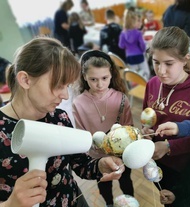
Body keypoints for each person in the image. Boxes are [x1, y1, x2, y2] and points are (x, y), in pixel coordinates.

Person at [0, 36, 125, 207]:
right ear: (25, 80)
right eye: (59, 85)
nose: (66, 95)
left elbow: (80, 164)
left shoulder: (59, 118)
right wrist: (10, 204)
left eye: (67, 86)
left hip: (74, 200)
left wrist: (100, 166)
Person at [142, 26, 190, 206]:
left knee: (181, 201)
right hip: (157, 160)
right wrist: (146, 129)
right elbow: (147, 112)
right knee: (165, 197)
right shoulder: (153, 84)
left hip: (185, 166)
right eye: (155, 62)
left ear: (185, 60)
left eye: (169, 63)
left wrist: (169, 147)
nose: (161, 71)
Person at [72, 50, 134, 207]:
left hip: (122, 155)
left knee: (126, 181)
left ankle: (131, 202)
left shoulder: (121, 99)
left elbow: (129, 128)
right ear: (84, 77)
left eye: (104, 78)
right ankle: (109, 204)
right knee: (104, 184)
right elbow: (82, 135)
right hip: (97, 158)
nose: (100, 84)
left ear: (111, 75)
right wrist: (98, 146)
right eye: (93, 79)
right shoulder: (79, 103)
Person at [119, 9, 150, 80]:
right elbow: (142, 46)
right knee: (146, 72)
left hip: (129, 57)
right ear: (133, 22)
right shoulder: (138, 33)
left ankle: (136, 84)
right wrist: (144, 50)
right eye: (137, 20)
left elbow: (121, 46)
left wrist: (128, 46)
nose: (139, 22)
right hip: (139, 56)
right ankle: (145, 83)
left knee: (133, 73)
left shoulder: (123, 33)